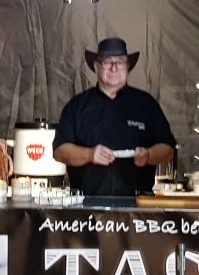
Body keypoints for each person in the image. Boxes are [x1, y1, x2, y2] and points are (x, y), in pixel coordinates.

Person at [53, 37, 176, 196]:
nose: (114, 67)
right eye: (107, 62)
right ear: (96, 66)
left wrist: (148, 156)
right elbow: (60, 152)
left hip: (139, 204)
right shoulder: (76, 107)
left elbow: (168, 150)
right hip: (86, 204)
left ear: (127, 67)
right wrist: (90, 155)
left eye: (120, 62)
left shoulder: (147, 104)